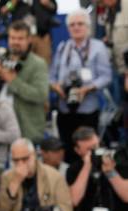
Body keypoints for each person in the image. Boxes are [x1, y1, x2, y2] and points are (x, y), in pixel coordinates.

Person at [50, 9, 112, 164]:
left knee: (89, 154)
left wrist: (87, 89)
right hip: (65, 109)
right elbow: (51, 76)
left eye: (80, 24)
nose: (76, 27)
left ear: (88, 27)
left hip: (87, 110)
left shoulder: (98, 47)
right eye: (72, 25)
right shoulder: (63, 47)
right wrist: (56, 87)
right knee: (68, 152)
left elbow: (106, 77)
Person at [61, 127, 128, 211]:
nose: (95, 152)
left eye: (97, 147)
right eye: (89, 150)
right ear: (77, 150)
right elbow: (74, 199)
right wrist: (87, 166)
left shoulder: (118, 164)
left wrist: (110, 172)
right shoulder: (74, 169)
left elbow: (126, 196)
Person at [0, 20, 49, 143]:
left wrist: (13, 81)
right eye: (12, 38)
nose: (15, 42)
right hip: (1, 129)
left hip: (27, 130)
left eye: (20, 38)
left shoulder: (38, 64)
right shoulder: (0, 60)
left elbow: (40, 95)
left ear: (29, 40)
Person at [0, 0, 58, 64]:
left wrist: (47, 3)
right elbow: (1, 11)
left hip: (42, 36)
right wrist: (11, 4)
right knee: (19, 65)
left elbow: (54, 8)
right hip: (20, 37)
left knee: (45, 64)